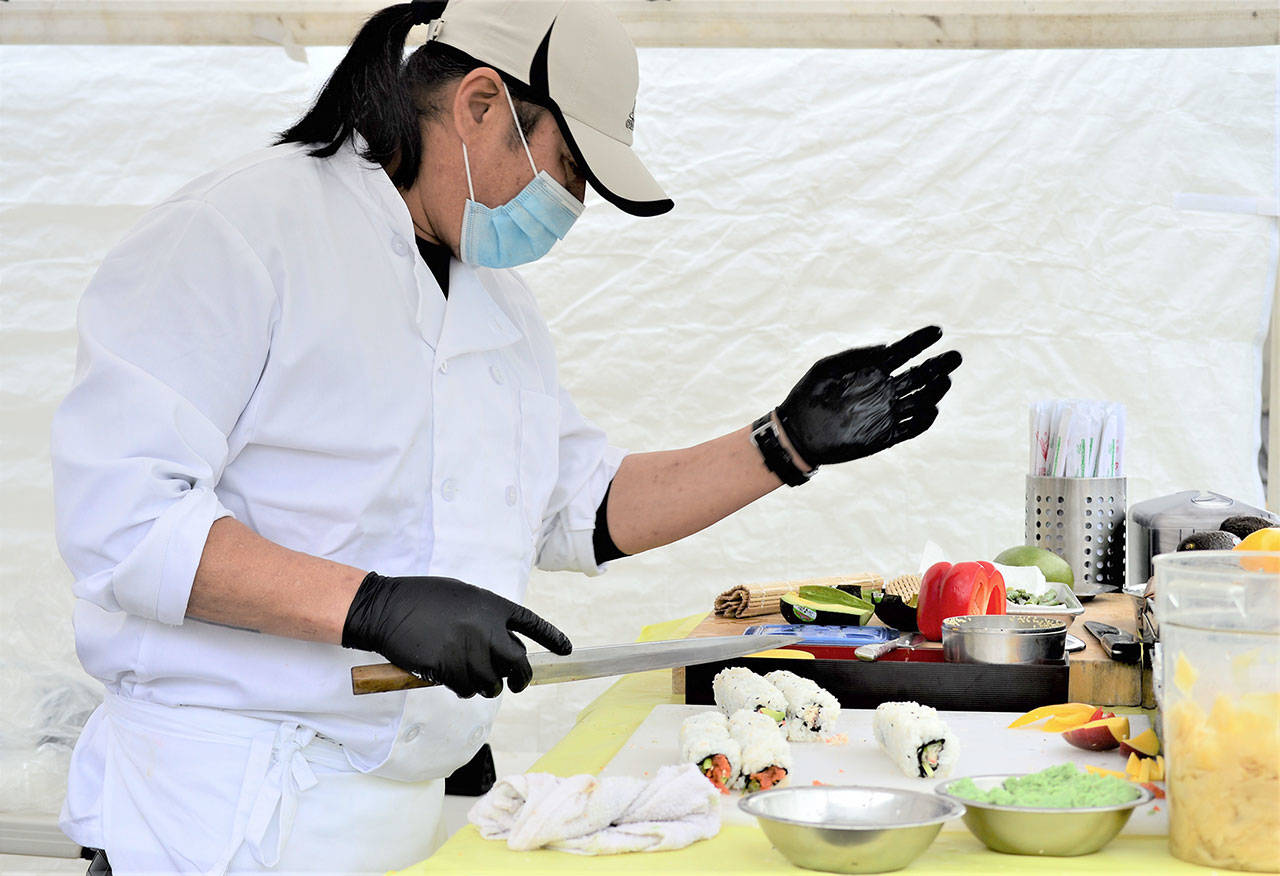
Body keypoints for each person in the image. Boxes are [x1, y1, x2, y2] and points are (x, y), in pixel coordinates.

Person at [50, 1, 961, 872]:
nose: (570, 206)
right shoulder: (240, 231)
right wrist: (373, 606)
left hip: (412, 812)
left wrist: (783, 444)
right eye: (568, 170)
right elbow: (125, 523)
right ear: (481, 102)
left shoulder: (498, 305)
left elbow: (579, 506)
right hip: (224, 814)